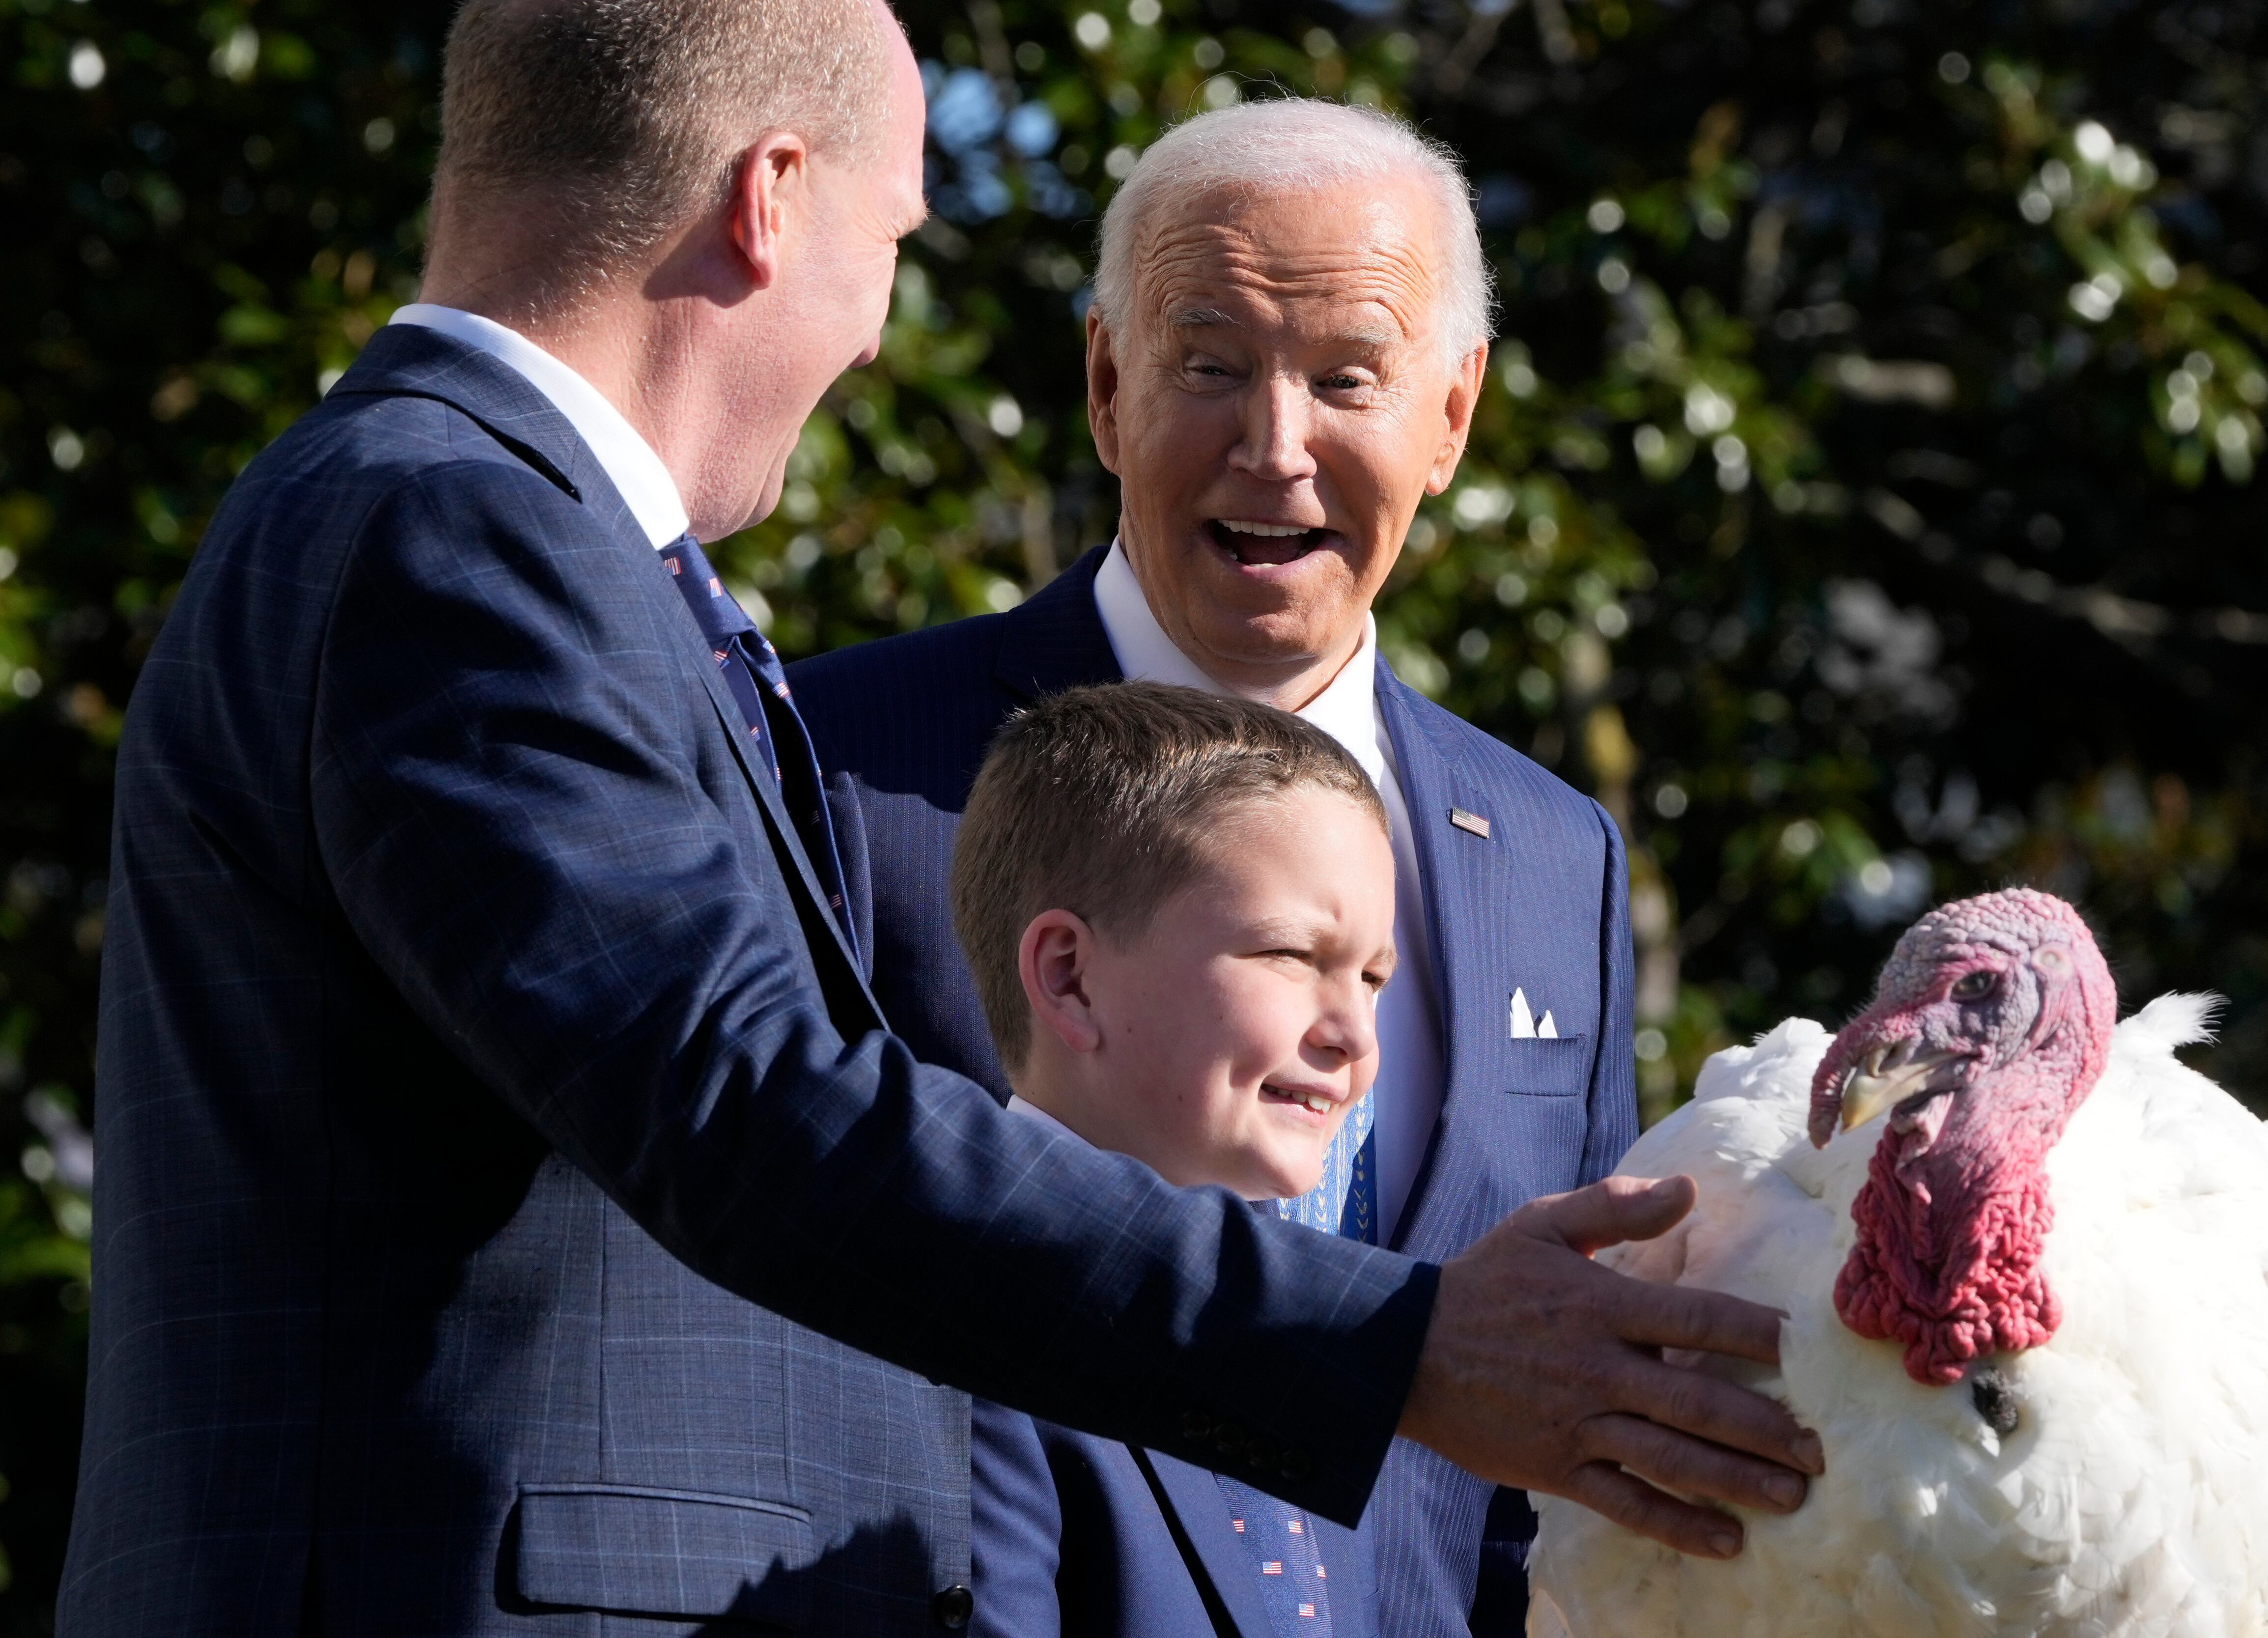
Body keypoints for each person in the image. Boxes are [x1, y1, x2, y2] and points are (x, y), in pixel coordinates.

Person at [62, 0, 1820, 1630]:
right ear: (772, 201)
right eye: (894, 237)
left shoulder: (455, 518)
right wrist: (1400, 1344)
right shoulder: (456, 529)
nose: (881, 322)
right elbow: (746, 1103)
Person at [789, 97, 1721, 1635]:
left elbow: (1548, 1441)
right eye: (1209, 365)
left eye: (1348, 378)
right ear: (1104, 383)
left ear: (1454, 414)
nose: (1275, 446)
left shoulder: (1554, 854)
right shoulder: (835, 764)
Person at [953, 682, 1401, 1637]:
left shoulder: (1322, 1349)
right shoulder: (962, 1347)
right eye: (1288, 952)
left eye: (1372, 976)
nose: (1353, 1032)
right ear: (1070, 976)